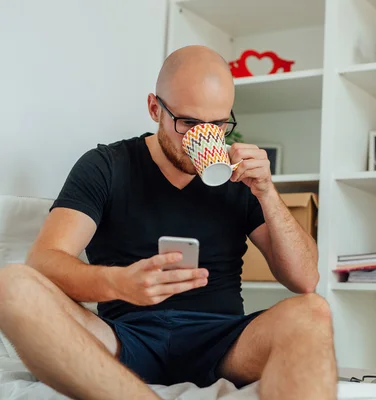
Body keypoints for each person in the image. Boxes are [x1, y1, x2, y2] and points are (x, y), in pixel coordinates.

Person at [0, 45, 337, 400]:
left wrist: (268, 193)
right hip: (124, 338)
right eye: (189, 123)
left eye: (218, 125)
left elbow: (305, 279)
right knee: (12, 285)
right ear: (154, 108)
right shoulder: (107, 166)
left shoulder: (240, 178)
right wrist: (118, 283)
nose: (204, 138)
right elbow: (44, 261)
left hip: (223, 343)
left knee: (313, 311)